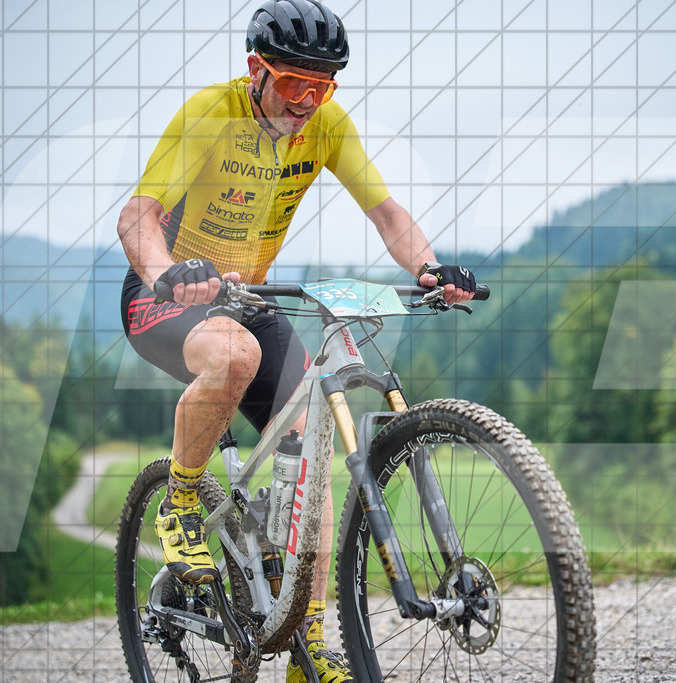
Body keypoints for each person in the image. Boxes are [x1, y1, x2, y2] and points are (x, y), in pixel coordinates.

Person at [116, 0, 475, 680]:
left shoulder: (326, 126)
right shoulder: (211, 114)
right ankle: (181, 500)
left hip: (247, 298)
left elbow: (387, 212)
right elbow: (139, 214)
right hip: (166, 295)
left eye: (323, 86)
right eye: (292, 83)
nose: (307, 101)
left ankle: (307, 638)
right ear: (256, 69)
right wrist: (166, 273)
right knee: (236, 355)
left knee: (313, 443)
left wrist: (428, 267)